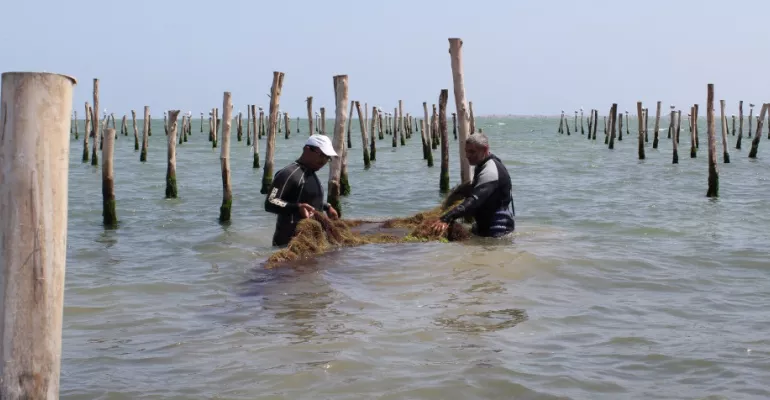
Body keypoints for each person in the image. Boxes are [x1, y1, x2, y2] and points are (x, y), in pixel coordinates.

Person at [429, 133, 515, 238]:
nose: (467, 155)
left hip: (498, 227)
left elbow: (473, 201)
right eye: (466, 151)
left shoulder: (490, 170)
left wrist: (446, 218)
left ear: (485, 149)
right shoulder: (483, 164)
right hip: (485, 222)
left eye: (472, 152)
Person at [264, 134, 339, 246]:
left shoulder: (311, 174)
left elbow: (304, 199)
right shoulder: (288, 173)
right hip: (288, 245)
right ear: (307, 149)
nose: (323, 161)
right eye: (321, 155)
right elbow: (270, 201)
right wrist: (297, 208)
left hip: (310, 243)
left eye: (327, 158)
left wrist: (327, 206)